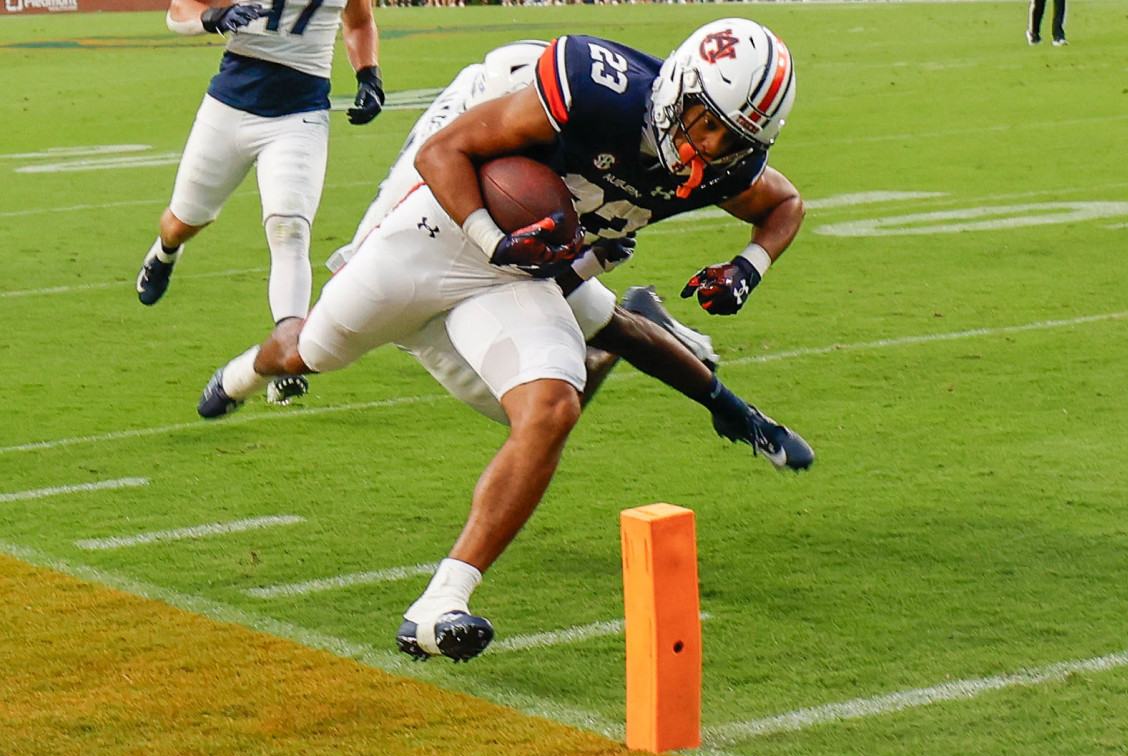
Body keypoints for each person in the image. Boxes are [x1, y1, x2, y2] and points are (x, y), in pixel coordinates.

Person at [197, 20, 809, 663]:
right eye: (704, 121)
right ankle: (244, 372)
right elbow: (444, 153)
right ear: (677, 89)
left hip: (524, 259)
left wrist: (748, 267)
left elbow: (784, 203)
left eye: (731, 138)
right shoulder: (597, 90)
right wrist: (499, 241)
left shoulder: (724, 167)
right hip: (448, 215)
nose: (709, 148)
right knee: (308, 350)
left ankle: (441, 602)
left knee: (551, 404)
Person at [138, 0, 384, 404]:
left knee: (290, 231)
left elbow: (359, 21)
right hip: (229, 107)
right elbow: (180, 9)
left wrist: (369, 75)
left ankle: (287, 344)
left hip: (300, 113)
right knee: (182, 222)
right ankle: (165, 252)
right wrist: (212, 18)